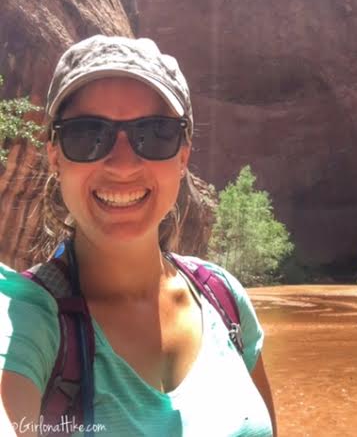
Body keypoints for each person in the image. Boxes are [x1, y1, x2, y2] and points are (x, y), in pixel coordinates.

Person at [0, 35, 277, 437]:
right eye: (87, 133)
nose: (124, 163)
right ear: (55, 155)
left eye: (156, 133)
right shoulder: (26, 319)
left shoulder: (223, 297)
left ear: (183, 155)